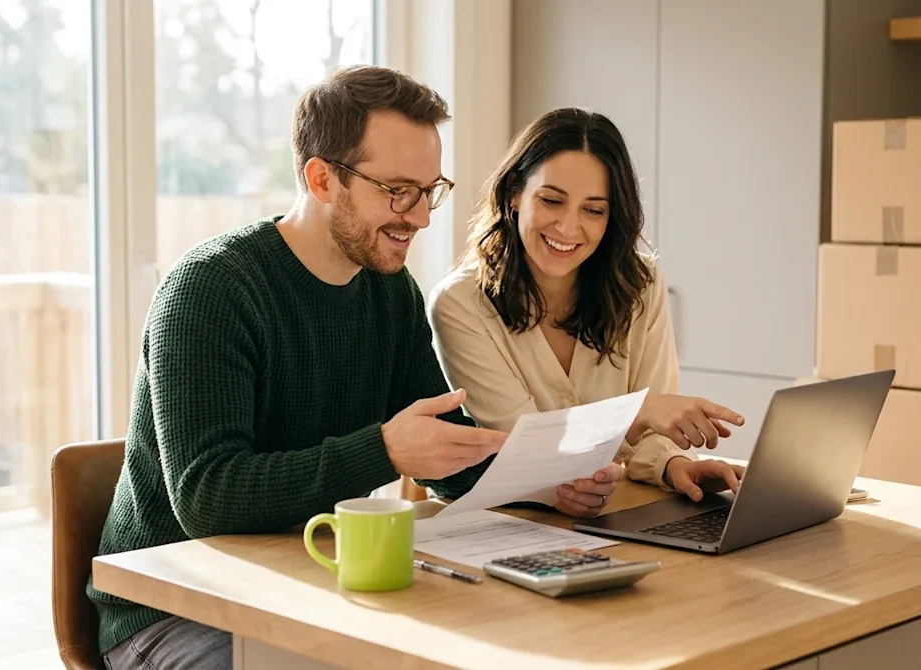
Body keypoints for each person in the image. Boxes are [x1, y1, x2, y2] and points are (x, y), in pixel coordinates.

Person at [86, 66, 597, 670]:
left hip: (308, 585)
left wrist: (544, 481)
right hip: (175, 611)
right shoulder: (211, 289)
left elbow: (446, 454)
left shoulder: (390, 294)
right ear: (321, 178)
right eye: (397, 191)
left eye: (430, 191)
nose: (420, 217)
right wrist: (384, 450)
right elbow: (207, 497)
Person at [428, 107, 748, 516]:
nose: (567, 227)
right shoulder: (460, 304)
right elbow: (523, 444)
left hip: (610, 515)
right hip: (511, 521)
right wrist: (638, 411)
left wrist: (674, 466)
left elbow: (651, 436)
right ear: (514, 193)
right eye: (551, 200)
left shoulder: (641, 285)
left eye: (593, 210)